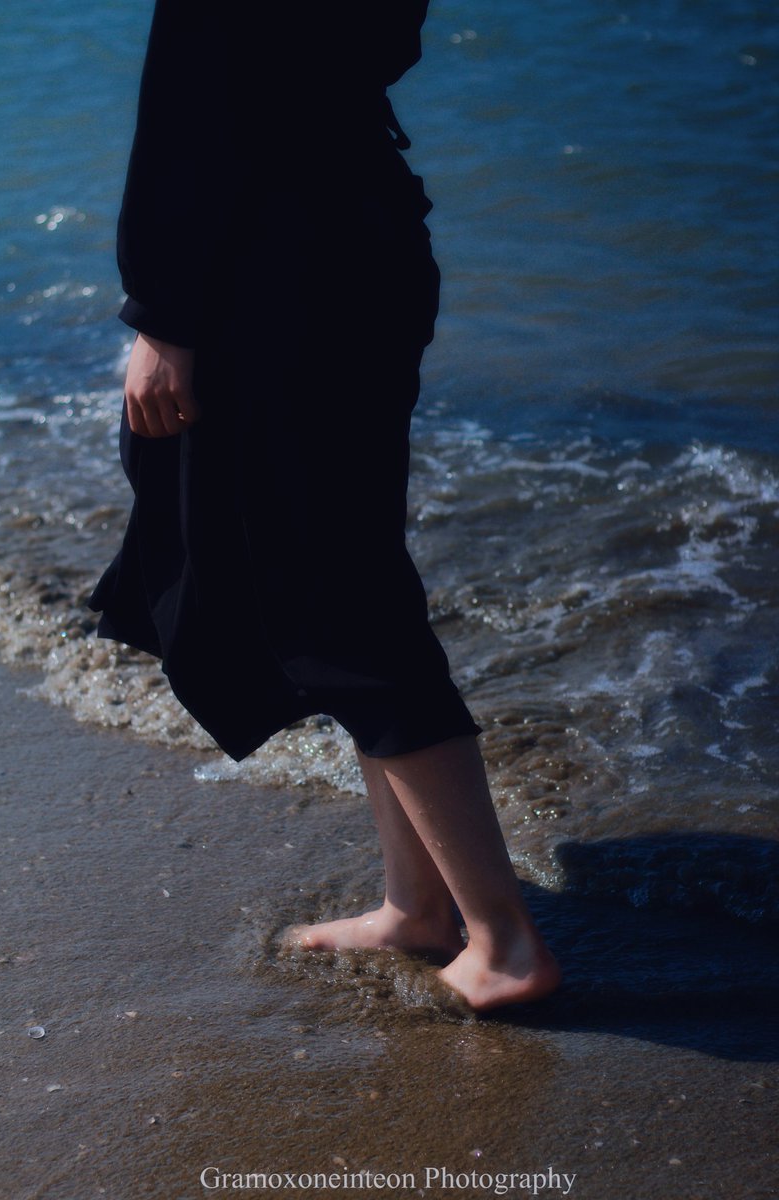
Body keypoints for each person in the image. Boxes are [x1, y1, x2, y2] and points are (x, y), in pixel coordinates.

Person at [89, 0, 561, 1011]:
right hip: (358, 238)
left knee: (337, 598)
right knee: (342, 575)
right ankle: (419, 907)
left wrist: (163, 315)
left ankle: (503, 942)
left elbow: (197, 101)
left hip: (277, 271)